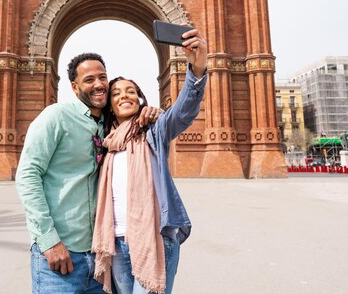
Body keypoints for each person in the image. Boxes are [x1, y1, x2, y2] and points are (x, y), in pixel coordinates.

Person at [16, 53, 162, 294]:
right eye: (89, 79)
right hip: (61, 255)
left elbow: (148, 121)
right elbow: (28, 175)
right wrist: (49, 241)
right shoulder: (56, 117)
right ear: (75, 87)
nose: (98, 84)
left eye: (102, 77)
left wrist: (157, 113)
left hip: (99, 259)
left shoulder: (111, 125)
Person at [92, 28, 207, 294]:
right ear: (110, 105)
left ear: (140, 99)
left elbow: (184, 111)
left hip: (154, 238)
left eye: (131, 91)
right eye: (117, 93)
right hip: (116, 243)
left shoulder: (155, 130)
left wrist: (197, 71)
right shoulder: (105, 142)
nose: (124, 96)